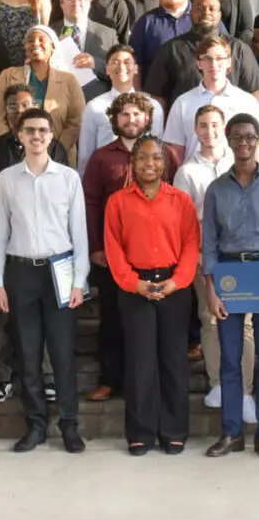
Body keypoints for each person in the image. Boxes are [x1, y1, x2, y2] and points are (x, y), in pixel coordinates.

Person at [0, 107, 90, 454]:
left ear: (51, 136)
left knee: (62, 354)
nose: (36, 136)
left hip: (59, 271)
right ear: (19, 135)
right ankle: (35, 426)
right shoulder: (6, 179)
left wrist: (79, 281)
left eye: (42, 130)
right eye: (29, 130)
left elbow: (79, 233)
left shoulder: (68, 178)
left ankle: (69, 425)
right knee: (28, 355)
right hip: (21, 272)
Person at [201, 113, 259, 460]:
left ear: (258, 141)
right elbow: (208, 242)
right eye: (236, 137)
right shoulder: (216, 189)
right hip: (228, 276)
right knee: (230, 361)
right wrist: (210, 288)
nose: (243, 143)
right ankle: (232, 432)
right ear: (227, 139)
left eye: (250, 137)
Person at [104, 135, 200, 455]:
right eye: (143, 158)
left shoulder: (181, 201)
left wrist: (178, 281)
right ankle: (141, 432)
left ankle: (173, 430)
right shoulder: (118, 202)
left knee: (173, 361)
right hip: (135, 287)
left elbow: (190, 245)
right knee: (140, 363)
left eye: (157, 158)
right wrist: (134, 284)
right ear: (132, 162)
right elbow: (114, 249)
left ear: (166, 162)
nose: (150, 164)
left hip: (174, 286)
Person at [82, 92, 177, 403]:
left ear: (147, 118)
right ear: (115, 120)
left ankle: (153, 382)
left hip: (155, 254)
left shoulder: (163, 156)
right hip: (113, 255)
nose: (131, 120)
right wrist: (95, 247)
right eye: (124, 115)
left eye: (137, 114)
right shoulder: (101, 158)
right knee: (111, 317)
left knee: (155, 321)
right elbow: (91, 204)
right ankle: (111, 379)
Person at [0, 83, 69, 404]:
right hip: (4, 241)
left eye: (27, 104)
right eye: (14, 106)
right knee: (0, 311)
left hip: (45, 243)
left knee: (44, 311)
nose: (20, 110)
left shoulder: (55, 148)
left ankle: (46, 375)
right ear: (6, 112)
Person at [173, 106, 238, 412]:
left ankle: (243, 384)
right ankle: (218, 384)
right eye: (203, 125)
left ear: (222, 127)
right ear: (195, 130)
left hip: (239, 254)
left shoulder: (239, 163)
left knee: (243, 322)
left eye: (214, 124)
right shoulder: (186, 172)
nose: (209, 131)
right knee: (210, 319)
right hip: (204, 256)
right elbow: (181, 220)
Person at [143, 0, 259, 113]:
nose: (206, 12)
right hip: (185, 125)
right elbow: (158, 97)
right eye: (199, 8)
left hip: (231, 127)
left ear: (219, 15)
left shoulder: (239, 49)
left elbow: (253, 93)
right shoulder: (171, 49)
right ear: (191, 14)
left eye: (212, 9)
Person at [0, 25, 87, 156]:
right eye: (30, 40)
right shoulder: (8, 76)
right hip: (15, 155)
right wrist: (11, 147)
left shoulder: (69, 80)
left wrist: (57, 150)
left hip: (59, 156)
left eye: (41, 40)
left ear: (53, 47)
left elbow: (76, 119)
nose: (35, 43)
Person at [164, 35, 259, 161]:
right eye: (207, 58)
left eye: (220, 58)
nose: (213, 64)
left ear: (229, 62)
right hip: (195, 177)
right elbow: (176, 150)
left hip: (236, 177)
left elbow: (256, 147)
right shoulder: (182, 103)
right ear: (199, 63)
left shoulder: (247, 101)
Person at [78, 45, 166, 171]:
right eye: (115, 62)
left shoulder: (153, 106)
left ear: (136, 69)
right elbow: (85, 155)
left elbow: (159, 149)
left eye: (127, 62)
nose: (121, 67)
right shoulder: (94, 106)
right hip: (107, 176)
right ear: (107, 69)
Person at [54, 0, 116, 102]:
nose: (76, 3)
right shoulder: (50, 33)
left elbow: (119, 69)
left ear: (89, 2)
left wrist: (95, 63)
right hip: (59, 103)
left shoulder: (108, 34)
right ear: (61, 2)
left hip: (97, 103)